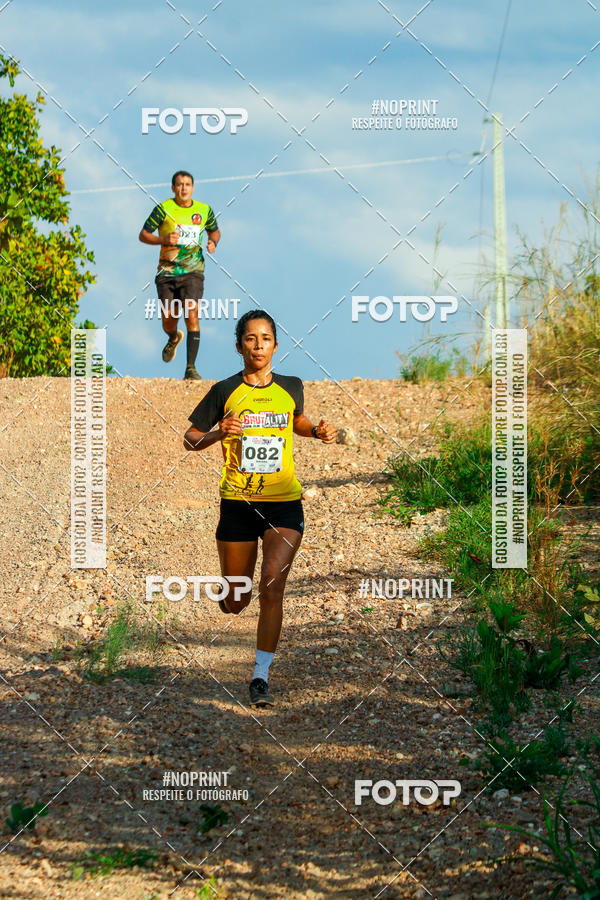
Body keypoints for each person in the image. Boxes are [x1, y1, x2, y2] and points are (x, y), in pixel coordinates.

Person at [183, 310, 336, 707]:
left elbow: (296, 421)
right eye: (250, 339)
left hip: (284, 503)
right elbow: (190, 438)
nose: (258, 345)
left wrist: (316, 431)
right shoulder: (224, 391)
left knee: (272, 583)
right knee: (237, 601)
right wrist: (219, 432)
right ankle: (231, 592)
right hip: (237, 502)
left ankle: (260, 676)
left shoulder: (291, 386)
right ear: (239, 346)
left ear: (275, 345)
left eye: (265, 338)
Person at [139, 171, 220, 380]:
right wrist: (163, 239)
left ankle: (190, 368)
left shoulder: (204, 210)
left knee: (192, 315)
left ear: (193, 187)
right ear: (173, 188)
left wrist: (213, 242)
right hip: (167, 273)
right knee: (169, 318)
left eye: (187, 184)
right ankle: (173, 337)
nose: (184, 188)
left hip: (193, 272)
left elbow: (215, 231)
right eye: (179, 185)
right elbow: (144, 234)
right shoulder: (163, 209)